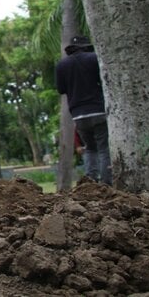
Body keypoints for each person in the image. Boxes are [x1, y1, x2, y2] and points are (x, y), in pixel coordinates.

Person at [55, 35, 112, 185]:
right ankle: (107, 184)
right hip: (99, 110)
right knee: (104, 148)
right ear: (86, 47)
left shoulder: (61, 65)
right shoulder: (94, 58)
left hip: (78, 116)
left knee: (90, 149)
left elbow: (61, 89)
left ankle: (91, 183)